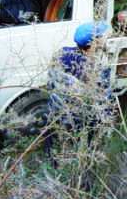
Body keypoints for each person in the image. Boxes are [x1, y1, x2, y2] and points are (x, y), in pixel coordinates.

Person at [45, 21, 111, 160]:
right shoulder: (92, 68)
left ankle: (53, 160)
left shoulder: (62, 53)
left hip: (55, 113)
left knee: (55, 156)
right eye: (101, 37)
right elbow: (104, 100)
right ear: (93, 43)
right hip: (77, 120)